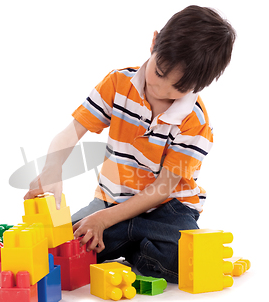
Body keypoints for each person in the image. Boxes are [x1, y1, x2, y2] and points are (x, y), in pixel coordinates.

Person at [24, 5, 236, 283]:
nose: (161, 90)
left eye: (178, 88)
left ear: (199, 86)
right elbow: (70, 133)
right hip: (111, 200)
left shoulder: (195, 121)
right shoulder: (117, 83)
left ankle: (126, 238)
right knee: (61, 248)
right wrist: (52, 169)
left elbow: (163, 188)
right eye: (159, 74)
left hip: (169, 208)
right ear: (153, 43)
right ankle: (132, 239)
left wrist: (104, 221)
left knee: (183, 260)